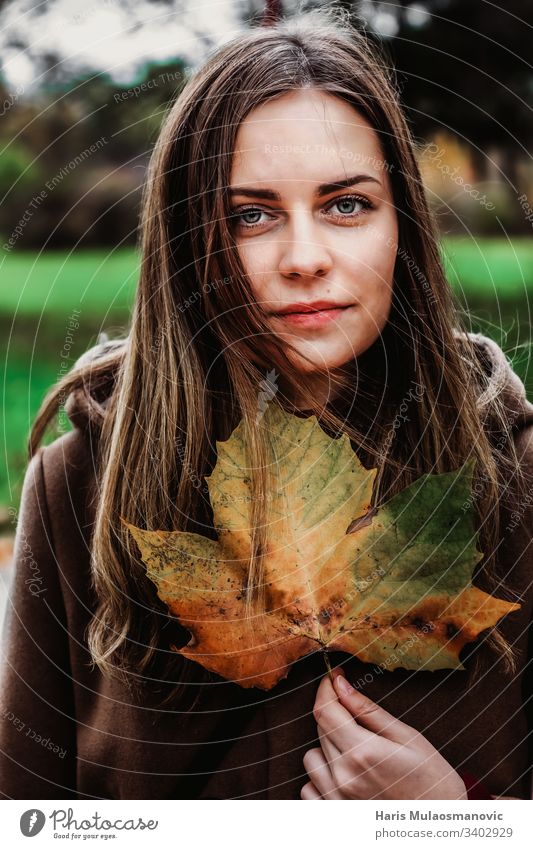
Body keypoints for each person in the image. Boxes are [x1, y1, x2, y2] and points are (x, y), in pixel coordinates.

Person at [1, 8, 532, 801]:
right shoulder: (83, 481)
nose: (305, 258)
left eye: (346, 204)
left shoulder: (511, 476)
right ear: (189, 239)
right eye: (250, 215)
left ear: (402, 224)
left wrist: (452, 819)